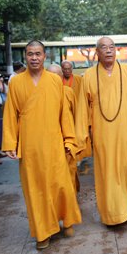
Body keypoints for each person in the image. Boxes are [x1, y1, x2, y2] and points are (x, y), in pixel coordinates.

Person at [2, 40, 82, 250]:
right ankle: (42, 232)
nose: (34, 58)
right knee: (35, 189)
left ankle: (67, 221)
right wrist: (10, 142)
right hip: (30, 145)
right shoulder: (16, 83)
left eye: (38, 54)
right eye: (30, 54)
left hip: (54, 141)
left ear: (45, 56)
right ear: (26, 56)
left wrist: (69, 140)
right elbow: (10, 113)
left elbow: (64, 113)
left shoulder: (55, 82)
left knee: (61, 184)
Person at [75, 37, 127, 226]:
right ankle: (114, 214)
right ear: (97, 52)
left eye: (112, 47)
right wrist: (81, 135)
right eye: (103, 48)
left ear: (116, 50)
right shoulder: (89, 75)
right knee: (109, 175)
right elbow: (83, 107)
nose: (108, 51)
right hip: (104, 133)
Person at [47, 64, 80, 192]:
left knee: (69, 168)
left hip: (67, 139)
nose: (54, 78)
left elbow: (77, 115)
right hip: (50, 139)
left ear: (61, 77)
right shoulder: (40, 93)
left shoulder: (68, 92)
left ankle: (70, 197)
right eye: (50, 75)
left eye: (56, 75)